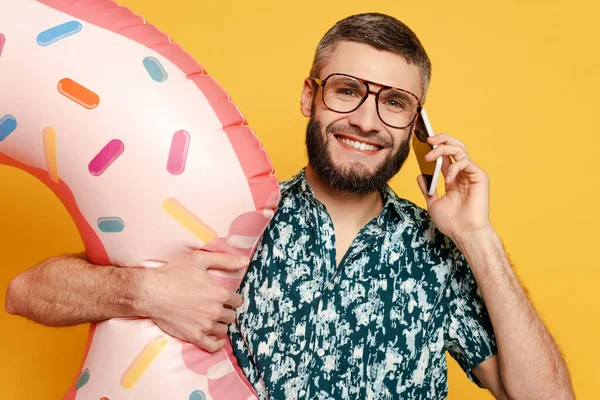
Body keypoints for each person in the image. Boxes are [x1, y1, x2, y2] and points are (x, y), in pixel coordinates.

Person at [5, 12, 573, 400]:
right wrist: (142, 291)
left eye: (395, 103)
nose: (368, 121)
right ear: (310, 95)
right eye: (348, 90)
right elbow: (25, 293)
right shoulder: (228, 216)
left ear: (417, 125)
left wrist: (479, 237)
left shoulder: (440, 252)